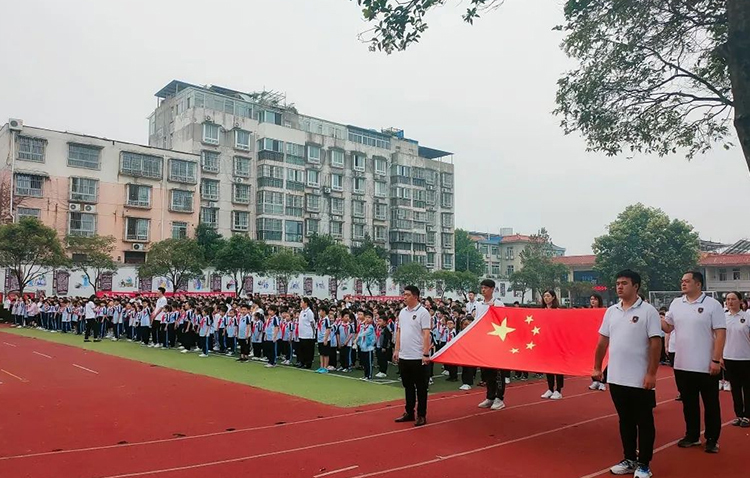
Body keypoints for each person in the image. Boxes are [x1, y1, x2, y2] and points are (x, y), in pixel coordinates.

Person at [594, 270, 661, 478]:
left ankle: (644, 464)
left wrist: (651, 373)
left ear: (636, 286)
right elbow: (602, 341)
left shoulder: (648, 311)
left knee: (644, 421)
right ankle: (629, 458)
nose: (619, 287)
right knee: (625, 420)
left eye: (624, 283)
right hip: (616, 377)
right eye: (617, 283)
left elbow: (656, 343)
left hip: (640, 379)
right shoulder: (611, 311)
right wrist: (597, 367)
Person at [662, 271, 726, 453]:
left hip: (706, 365)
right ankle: (692, 435)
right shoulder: (676, 303)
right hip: (682, 364)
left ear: (698, 284)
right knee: (689, 404)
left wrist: (716, 359)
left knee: (711, 404)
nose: (683, 284)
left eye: (687, 281)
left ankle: (712, 439)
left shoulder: (712, 305)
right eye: (682, 281)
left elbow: (720, 333)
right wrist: (652, 316)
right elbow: (668, 327)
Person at [394, 285, 432, 427]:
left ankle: (421, 415)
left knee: (421, 387)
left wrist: (425, 353)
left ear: (415, 297)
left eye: (407, 295)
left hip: (418, 356)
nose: (404, 297)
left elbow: (426, 334)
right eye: (404, 294)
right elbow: (399, 331)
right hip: (405, 355)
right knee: (408, 386)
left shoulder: (423, 313)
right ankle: (409, 412)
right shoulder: (402, 312)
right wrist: (397, 349)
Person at [475, 278, 507, 411]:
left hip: (497, 342)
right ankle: (490, 396)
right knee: (487, 372)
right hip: (484, 342)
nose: (483, 290)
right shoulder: (479, 305)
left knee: (498, 372)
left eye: (486, 288)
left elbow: (503, 321)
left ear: (492, 289)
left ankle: (499, 398)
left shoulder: (499, 304)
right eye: (482, 288)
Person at [722, 291, 750, 428]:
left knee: (747, 388)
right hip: (729, 357)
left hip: (746, 358)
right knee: (735, 389)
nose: (730, 302)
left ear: (740, 301)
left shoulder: (747, 316)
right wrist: (719, 356)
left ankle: (747, 415)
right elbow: (719, 338)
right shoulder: (723, 317)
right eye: (728, 299)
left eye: (733, 299)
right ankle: (739, 414)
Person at [541, 290, 564, 399]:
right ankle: (550, 388)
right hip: (546, 343)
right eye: (544, 296)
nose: (546, 298)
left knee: (558, 367)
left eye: (548, 296)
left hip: (557, 343)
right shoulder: (541, 311)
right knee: (548, 367)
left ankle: (558, 390)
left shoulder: (558, 311)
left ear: (553, 297)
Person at [589, 293, 608, 392]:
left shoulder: (604, 312)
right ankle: (595, 380)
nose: (593, 301)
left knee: (603, 360)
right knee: (592, 361)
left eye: (595, 299)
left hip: (601, 339)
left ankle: (602, 382)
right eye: (591, 299)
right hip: (591, 340)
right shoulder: (587, 312)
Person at [297, 297, 316, 369]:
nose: (300, 303)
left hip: (308, 334)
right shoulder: (302, 312)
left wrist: (313, 333)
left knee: (308, 350)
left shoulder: (309, 312)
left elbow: (312, 323)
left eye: (302, 302)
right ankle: (302, 362)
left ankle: (308, 363)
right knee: (302, 350)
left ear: (306, 303)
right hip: (301, 334)